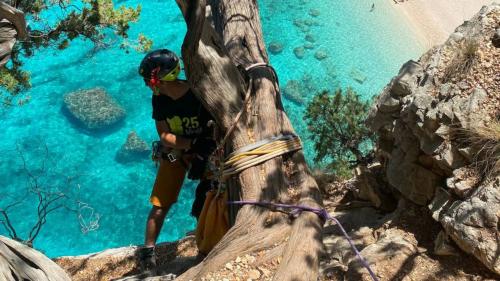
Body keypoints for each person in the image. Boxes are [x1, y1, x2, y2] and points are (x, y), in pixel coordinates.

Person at [137, 49, 215, 272]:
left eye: (149, 80)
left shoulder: (198, 95)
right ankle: (148, 250)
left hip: (205, 151)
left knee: (210, 194)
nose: (147, 85)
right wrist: (190, 145)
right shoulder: (159, 99)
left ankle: (206, 241)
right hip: (176, 152)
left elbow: (214, 127)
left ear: (162, 79)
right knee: (161, 201)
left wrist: (200, 149)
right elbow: (164, 136)